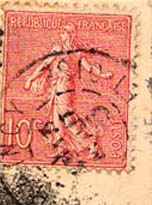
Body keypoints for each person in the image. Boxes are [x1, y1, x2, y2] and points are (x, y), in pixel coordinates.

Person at [23, 23, 113, 160]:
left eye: (64, 33)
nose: (61, 35)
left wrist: (102, 75)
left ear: (70, 34)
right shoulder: (68, 50)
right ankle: (61, 148)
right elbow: (46, 65)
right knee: (56, 119)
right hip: (59, 87)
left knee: (68, 119)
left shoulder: (69, 50)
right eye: (61, 32)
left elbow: (87, 67)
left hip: (64, 88)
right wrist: (31, 78)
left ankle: (92, 143)